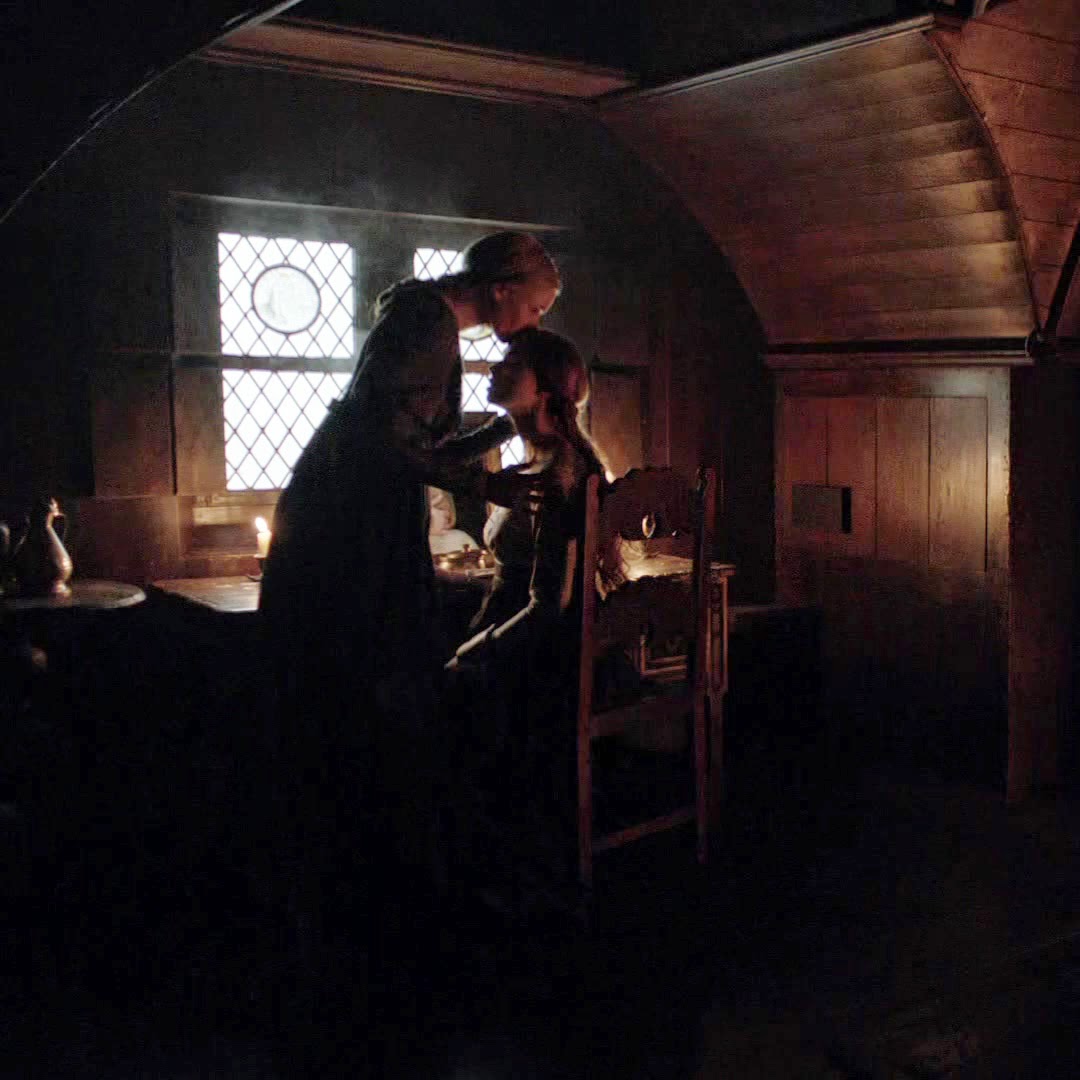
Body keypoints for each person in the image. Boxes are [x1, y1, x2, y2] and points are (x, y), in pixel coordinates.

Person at [255, 233, 560, 981]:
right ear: (501, 289)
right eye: (538, 304)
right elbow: (378, 444)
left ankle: (368, 892)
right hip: (346, 530)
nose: (537, 320)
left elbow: (413, 441)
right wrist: (482, 485)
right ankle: (368, 905)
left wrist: (499, 433)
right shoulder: (428, 323)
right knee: (366, 690)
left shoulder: (426, 319)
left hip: (357, 519)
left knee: (376, 693)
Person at [444, 328, 609, 905]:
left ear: (543, 391)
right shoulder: (535, 459)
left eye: (512, 363)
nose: (496, 368)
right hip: (517, 634)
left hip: (541, 658)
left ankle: (492, 875)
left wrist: (473, 652)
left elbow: (547, 607)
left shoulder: (558, 473)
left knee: (440, 692)